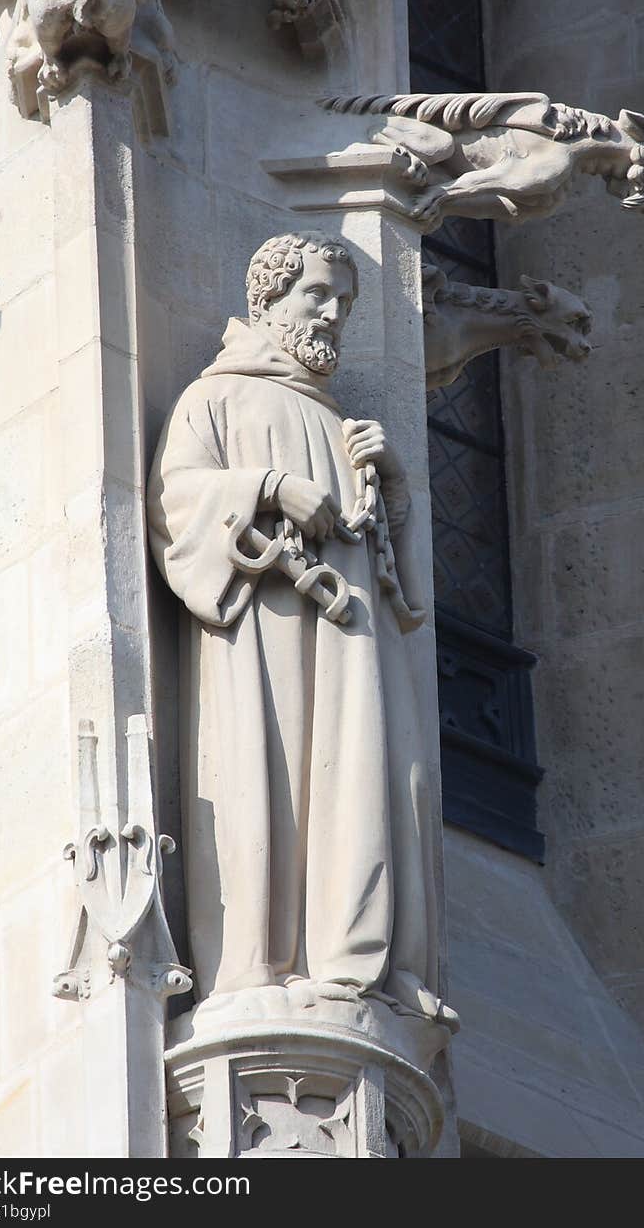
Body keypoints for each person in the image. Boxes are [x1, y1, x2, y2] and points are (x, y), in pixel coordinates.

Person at [147, 231, 454, 1028]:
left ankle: (357, 962)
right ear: (269, 299)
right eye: (317, 294)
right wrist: (272, 487)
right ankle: (258, 965)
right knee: (270, 777)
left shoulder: (343, 421)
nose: (331, 315)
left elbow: (405, 601)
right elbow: (176, 504)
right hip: (265, 638)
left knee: (360, 772)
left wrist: (396, 492)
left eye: (344, 302)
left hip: (351, 645)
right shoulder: (214, 399)